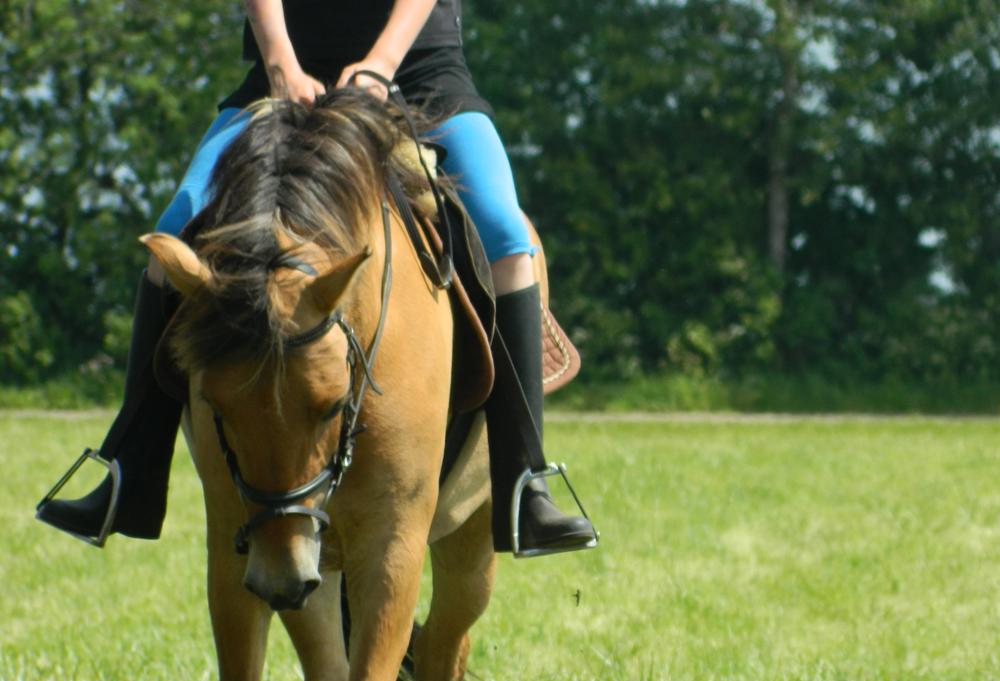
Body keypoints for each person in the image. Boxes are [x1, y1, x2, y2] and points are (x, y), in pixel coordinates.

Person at [36, 0, 597, 556]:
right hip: (282, 83)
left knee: (503, 233)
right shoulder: (277, 70)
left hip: (422, 79)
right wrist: (279, 60)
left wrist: (380, 63)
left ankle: (527, 482)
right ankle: (129, 470)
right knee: (173, 236)